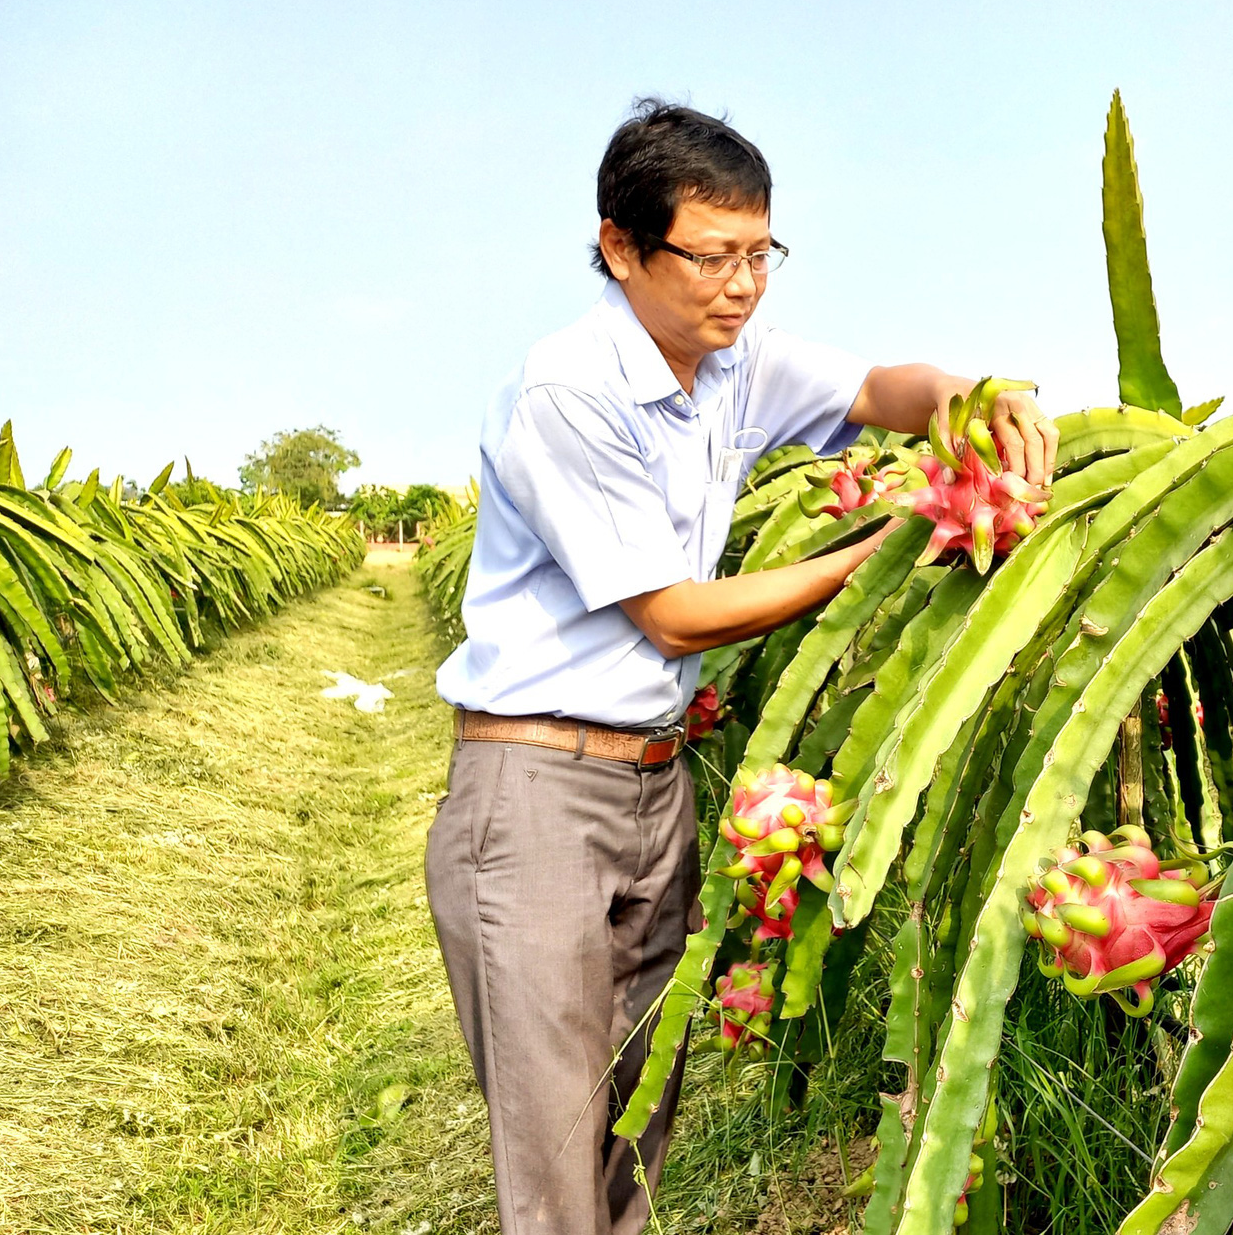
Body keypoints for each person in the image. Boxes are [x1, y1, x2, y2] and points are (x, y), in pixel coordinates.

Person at [424, 98, 1058, 1235]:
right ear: (620, 245)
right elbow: (671, 615)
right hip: (534, 794)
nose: (743, 283)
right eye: (711, 256)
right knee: (555, 1148)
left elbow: (885, 392)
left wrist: (978, 395)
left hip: (654, 779)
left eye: (760, 252)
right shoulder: (568, 389)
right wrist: (885, 548)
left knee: (634, 1117)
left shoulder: (732, 363)